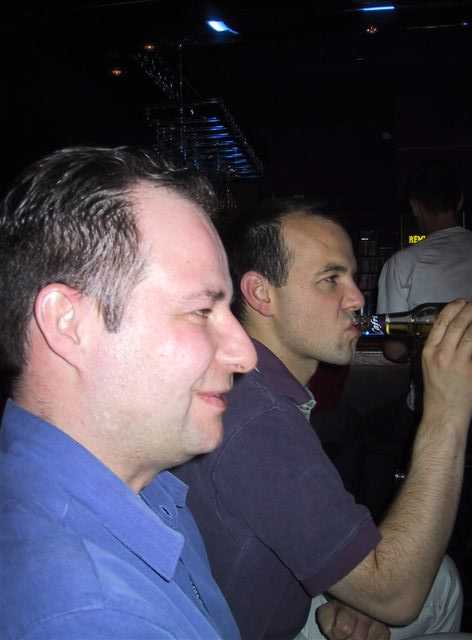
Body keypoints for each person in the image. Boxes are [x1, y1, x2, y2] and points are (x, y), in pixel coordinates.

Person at [176, 198, 472, 640]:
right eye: (330, 279)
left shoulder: (256, 386)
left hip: (271, 602)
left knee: (443, 579)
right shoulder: (255, 415)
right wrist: (448, 411)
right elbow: (396, 596)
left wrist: (343, 592)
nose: (357, 298)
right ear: (261, 294)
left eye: (352, 277)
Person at [0, 146, 258, 639]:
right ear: (69, 323)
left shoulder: (145, 485)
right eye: (201, 311)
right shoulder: (93, 616)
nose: (244, 355)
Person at [377, 161, 472, 413]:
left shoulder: (401, 264)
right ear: (459, 201)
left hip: (435, 404)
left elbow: (394, 350)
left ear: (414, 206)